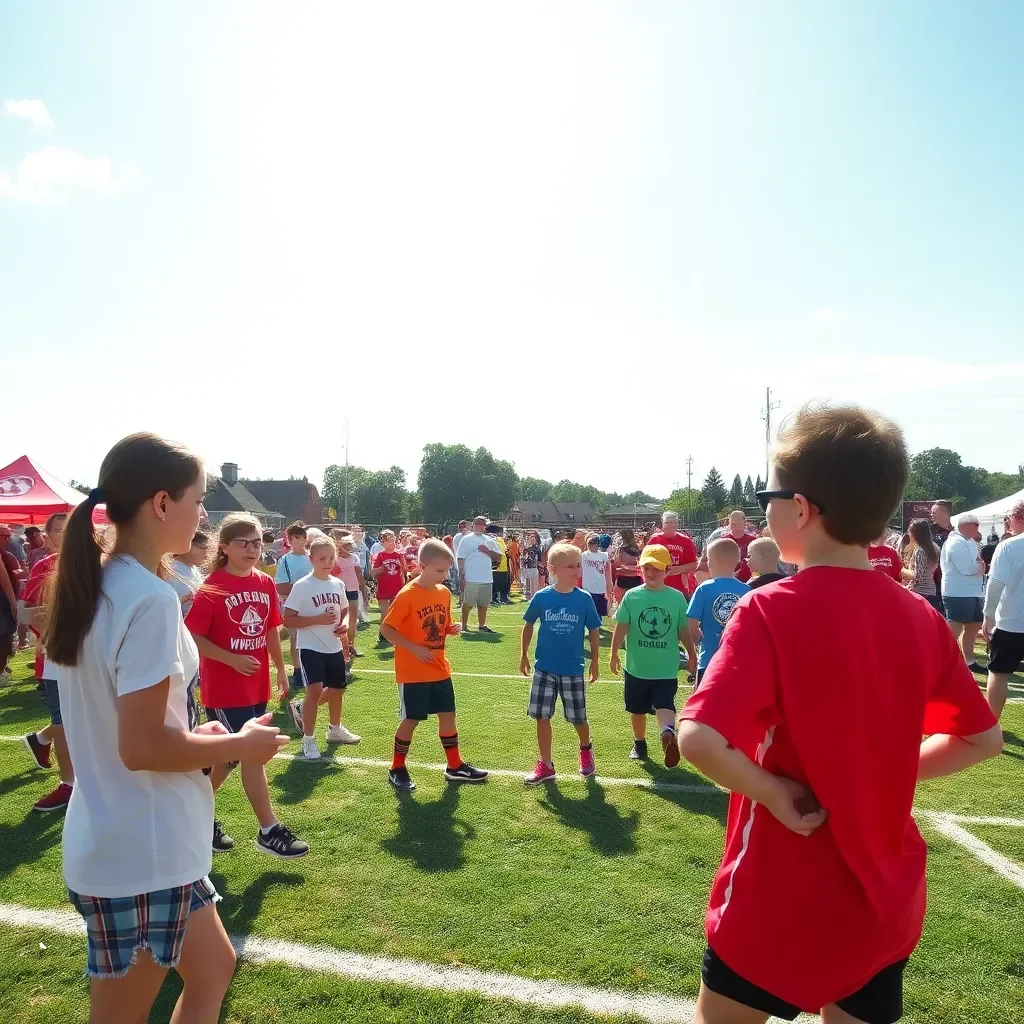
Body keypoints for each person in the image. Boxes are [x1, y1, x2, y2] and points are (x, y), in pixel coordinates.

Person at [677, 403, 1001, 1024]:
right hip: (881, 903)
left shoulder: (767, 610)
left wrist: (772, 791)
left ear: (801, 509)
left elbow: (699, 739)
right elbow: (981, 740)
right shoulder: (921, 618)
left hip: (776, 896)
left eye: (770, 495)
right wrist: (883, 775)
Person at [45, 433, 289, 1022]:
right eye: (198, 499)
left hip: (131, 839)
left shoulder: (97, 583)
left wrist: (201, 740)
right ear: (161, 503)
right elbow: (142, 745)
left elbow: (124, 727)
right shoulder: (148, 598)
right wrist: (240, 743)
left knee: (212, 969)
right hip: (141, 850)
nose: (203, 514)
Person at [186, 513, 309, 859]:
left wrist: (281, 669)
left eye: (257, 543)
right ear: (224, 547)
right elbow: (193, 636)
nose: (252, 549)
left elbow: (270, 628)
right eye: (244, 543)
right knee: (249, 754)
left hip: (256, 685)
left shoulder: (264, 582)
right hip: (225, 687)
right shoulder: (213, 586)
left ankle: (195, 817)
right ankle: (269, 830)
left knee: (229, 760)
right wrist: (230, 659)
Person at [381, 539, 488, 792]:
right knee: (411, 720)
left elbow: (440, 623)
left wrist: (450, 628)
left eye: (447, 570)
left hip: (439, 666)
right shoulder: (407, 594)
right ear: (422, 566)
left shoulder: (444, 593)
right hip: (413, 670)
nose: (444, 576)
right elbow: (386, 629)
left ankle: (454, 766)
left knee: (448, 715)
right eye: (439, 571)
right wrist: (415, 649)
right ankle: (396, 767)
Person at [519, 542, 600, 785]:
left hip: (573, 670)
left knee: (578, 718)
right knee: (541, 716)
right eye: (570, 567)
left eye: (578, 565)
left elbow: (594, 630)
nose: (576, 571)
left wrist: (595, 661)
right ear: (553, 569)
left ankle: (585, 749)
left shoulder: (584, 599)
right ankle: (546, 764)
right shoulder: (542, 597)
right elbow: (529, 623)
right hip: (544, 667)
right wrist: (523, 654)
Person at [609, 544, 696, 766]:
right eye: (647, 567)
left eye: (657, 568)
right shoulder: (632, 597)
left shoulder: (676, 598)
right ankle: (651, 738)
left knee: (662, 704)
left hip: (664, 667)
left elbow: (683, 630)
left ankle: (660, 737)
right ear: (640, 569)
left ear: (668, 571)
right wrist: (613, 653)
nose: (651, 573)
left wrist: (691, 653)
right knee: (643, 708)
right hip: (637, 666)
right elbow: (622, 627)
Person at [285, 534, 360, 756]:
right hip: (310, 647)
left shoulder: (338, 583)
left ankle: (334, 730)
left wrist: (344, 625)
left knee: (337, 690)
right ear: (312, 559)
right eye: (322, 558)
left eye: (331, 558)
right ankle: (308, 739)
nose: (328, 563)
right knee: (314, 691)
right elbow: (287, 619)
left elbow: (344, 611)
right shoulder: (303, 586)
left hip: (334, 645)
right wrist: (315, 619)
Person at [687, 538, 750, 687]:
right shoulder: (747, 590)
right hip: (737, 661)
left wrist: (696, 639)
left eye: (708, 559)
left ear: (712, 561)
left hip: (709, 659)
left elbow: (691, 621)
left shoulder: (704, 588)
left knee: (703, 706)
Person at [983, 500, 1024, 719]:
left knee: (998, 672)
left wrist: (988, 615)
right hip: (1011, 622)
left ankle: (991, 722)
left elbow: (995, 583)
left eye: (1008, 518)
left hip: (1010, 623)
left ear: (1018, 517)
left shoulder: (1009, 546)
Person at [940, 512, 987, 674]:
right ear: (964, 527)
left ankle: (969, 661)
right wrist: (984, 566)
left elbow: (977, 562)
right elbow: (968, 568)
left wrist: (982, 564)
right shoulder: (955, 543)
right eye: (975, 526)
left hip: (974, 592)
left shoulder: (970, 542)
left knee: (973, 627)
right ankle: (942, 661)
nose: (977, 530)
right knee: (955, 628)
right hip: (958, 592)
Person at [275, 523, 313, 685]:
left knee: (313, 637)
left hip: (313, 604)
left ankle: (312, 668)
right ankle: (298, 670)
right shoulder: (285, 560)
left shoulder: (313, 556)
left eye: (303, 537)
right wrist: (304, 587)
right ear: (289, 540)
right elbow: (280, 586)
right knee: (296, 639)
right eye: (297, 537)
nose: (301, 541)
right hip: (294, 605)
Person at [456, 515, 502, 633]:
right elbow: (460, 558)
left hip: (486, 577)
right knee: (468, 603)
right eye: (477, 524)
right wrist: (461, 575)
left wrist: (487, 551)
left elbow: (499, 556)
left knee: (483, 604)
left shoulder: (489, 540)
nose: (480, 527)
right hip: (471, 577)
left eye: (482, 525)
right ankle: (464, 625)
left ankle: (482, 626)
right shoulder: (466, 539)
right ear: (473, 525)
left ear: (485, 527)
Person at [332, 531, 369, 660]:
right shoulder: (334, 559)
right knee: (339, 619)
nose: (349, 547)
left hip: (352, 591)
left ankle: (351, 645)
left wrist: (363, 590)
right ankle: (340, 647)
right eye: (346, 544)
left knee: (352, 620)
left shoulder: (354, 558)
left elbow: (359, 574)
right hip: (338, 592)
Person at [646, 511, 699, 596]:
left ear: (677, 525)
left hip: (680, 589)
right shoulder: (655, 539)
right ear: (662, 524)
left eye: (674, 522)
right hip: (658, 586)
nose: (670, 525)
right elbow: (645, 561)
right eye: (667, 522)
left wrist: (679, 569)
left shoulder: (686, 541)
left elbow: (694, 564)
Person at [371, 529, 407, 647]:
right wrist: (383, 569)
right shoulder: (379, 556)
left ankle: (393, 632)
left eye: (392, 541)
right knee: (384, 612)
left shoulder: (399, 555)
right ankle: (383, 634)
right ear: (383, 543)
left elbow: (405, 570)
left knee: (395, 612)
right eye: (388, 542)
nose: (391, 544)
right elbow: (373, 572)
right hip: (384, 587)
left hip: (397, 587)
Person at [900, 518, 943, 613]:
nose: (909, 535)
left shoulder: (920, 550)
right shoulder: (935, 547)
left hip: (919, 593)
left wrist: (902, 570)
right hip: (931, 591)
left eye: (910, 532)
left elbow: (917, 576)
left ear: (915, 534)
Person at [170, 531, 210, 616]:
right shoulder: (172, 572)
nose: (206, 554)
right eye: (203, 548)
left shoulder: (193, 568)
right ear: (187, 547)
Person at [581, 533, 613, 619]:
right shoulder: (583, 556)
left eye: (594, 542)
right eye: (589, 542)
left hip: (601, 587)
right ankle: (592, 627)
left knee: (600, 611)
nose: (591, 545)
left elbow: (608, 571)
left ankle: (597, 627)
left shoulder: (604, 556)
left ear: (598, 544)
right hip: (588, 587)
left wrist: (609, 586)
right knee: (590, 610)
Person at [610, 528, 643, 606]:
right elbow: (640, 565)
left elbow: (617, 566)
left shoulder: (620, 550)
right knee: (635, 604)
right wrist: (633, 569)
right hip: (636, 578)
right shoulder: (638, 549)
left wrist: (625, 568)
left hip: (623, 579)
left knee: (622, 604)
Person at [520, 529, 542, 600]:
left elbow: (539, 558)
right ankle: (527, 596)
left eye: (533, 540)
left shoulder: (538, 548)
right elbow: (523, 556)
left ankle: (534, 595)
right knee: (528, 582)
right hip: (527, 567)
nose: (532, 541)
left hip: (534, 567)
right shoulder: (526, 549)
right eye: (531, 540)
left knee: (534, 582)